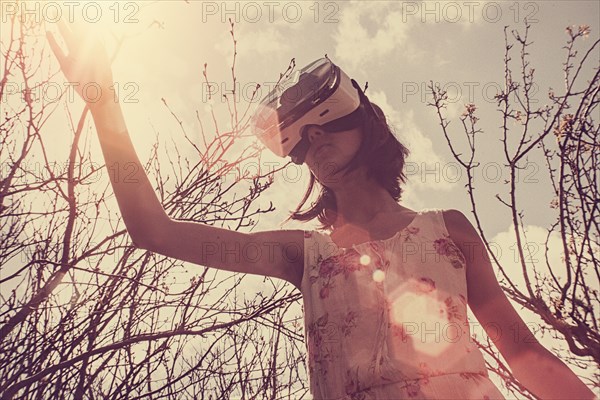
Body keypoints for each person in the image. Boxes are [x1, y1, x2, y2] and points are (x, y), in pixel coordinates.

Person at [46, 21, 596, 400]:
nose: (315, 141)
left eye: (327, 122)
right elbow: (153, 230)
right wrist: (104, 105)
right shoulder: (302, 253)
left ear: (366, 122)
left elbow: (523, 354)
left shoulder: (448, 230)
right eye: (302, 141)